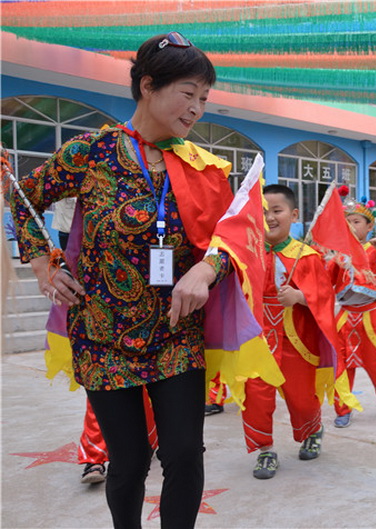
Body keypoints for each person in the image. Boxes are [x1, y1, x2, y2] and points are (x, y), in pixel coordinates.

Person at [11, 32, 236, 528]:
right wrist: (44, 263)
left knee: (183, 455)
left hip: (176, 332)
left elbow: (236, 238)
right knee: (128, 460)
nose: (197, 108)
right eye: (188, 93)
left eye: (204, 98)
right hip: (101, 334)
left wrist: (206, 268)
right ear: (148, 86)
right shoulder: (89, 152)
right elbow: (20, 198)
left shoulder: (203, 167)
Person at [243, 185, 349, 479]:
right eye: (263, 212)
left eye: (276, 211)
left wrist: (301, 297)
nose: (270, 218)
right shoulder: (246, 253)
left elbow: (326, 296)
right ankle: (264, 450)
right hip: (256, 341)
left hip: (295, 341)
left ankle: (312, 429)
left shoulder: (308, 257)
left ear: (293, 214)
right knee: (255, 398)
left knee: (301, 398)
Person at [330, 197, 376, 428]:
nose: (351, 226)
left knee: (374, 365)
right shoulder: (341, 253)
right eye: (347, 221)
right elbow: (325, 279)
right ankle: (343, 408)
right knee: (342, 366)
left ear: (369, 226)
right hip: (344, 318)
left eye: (357, 221)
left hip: (370, 316)